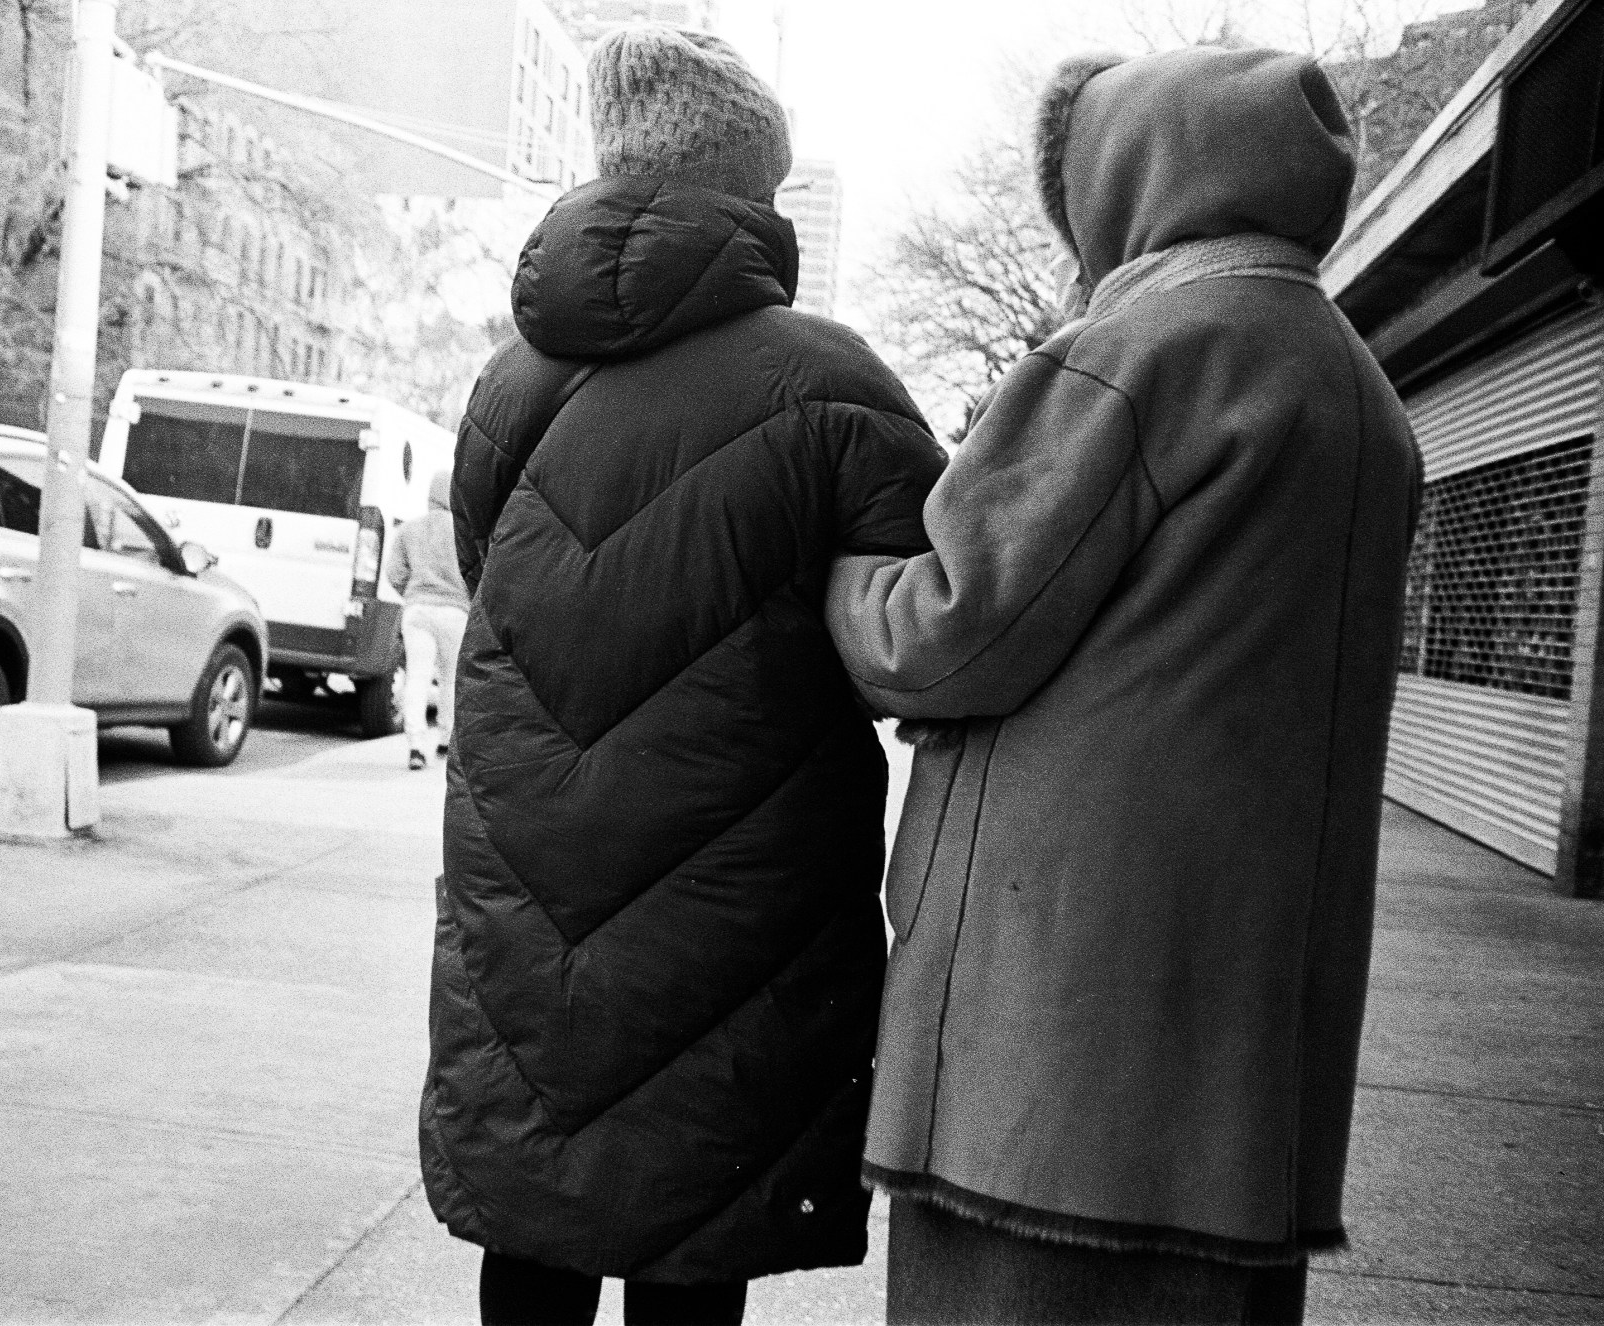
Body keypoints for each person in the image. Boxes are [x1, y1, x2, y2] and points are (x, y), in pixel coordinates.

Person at [825, 46, 1423, 1325]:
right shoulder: (1354, 385)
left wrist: (840, 573)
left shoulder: (1141, 350)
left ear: (1129, 174)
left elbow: (945, 631)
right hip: (1241, 1065)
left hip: (1055, 1046)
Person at [421, 25, 946, 1326]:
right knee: (695, 1232)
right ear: (750, 197)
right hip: (739, 888)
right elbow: (927, 625)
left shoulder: (511, 384)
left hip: (531, 869)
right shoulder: (832, 383)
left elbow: (495, 579)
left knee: (538, 1202)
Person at [385, 470, 470, 771]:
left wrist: (410, 592)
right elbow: (476, 571)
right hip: (455, 613)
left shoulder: (410, 530)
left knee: (417, 678)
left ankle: (416, 747)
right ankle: (446, 739)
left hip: (418, 610)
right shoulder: (464, 533)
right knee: (449, 678)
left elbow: (394, 573)